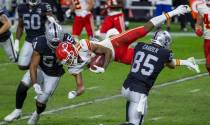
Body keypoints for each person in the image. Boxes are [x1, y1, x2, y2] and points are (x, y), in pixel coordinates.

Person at [55, 5, 200, 99]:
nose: (67, 62)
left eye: (67, 58)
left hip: (114, 43)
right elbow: (81, 86)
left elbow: (107, 52)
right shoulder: (73, 67)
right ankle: (188, 61)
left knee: (145, 29)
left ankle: (175, 11)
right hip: (120, 56)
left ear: (71, 52)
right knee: (154, 60)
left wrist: (103, 68)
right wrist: (76, 92)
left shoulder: (83, 45)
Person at [87, 30, 199, 125]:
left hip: (126, 87)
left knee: (136, 112)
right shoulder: (165, 54)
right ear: (165, 42)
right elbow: (171, 65)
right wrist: (186, 62)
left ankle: (128, 121)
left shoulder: (140, 46)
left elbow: (152, 56)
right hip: (139, 92)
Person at [3, 23, 71, 125]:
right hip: (40, 68)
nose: (55, 46)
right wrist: (35, 84)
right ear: (47, 36)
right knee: (23, 85)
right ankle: (17, 110)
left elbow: (76, 60)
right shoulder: (40, 42)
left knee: (41, 101)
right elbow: (33, 65)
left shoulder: (69, 41)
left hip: (54, 74)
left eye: (58, 43)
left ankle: (37, 114)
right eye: (53, 42)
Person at [14, 0, 57, 70]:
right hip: (29, 40)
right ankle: (36, 66)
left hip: (42, 39)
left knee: (47, 64)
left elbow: (53, 19)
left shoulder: (44, 6)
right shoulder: (22, 7)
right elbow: (20, 25)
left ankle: (36, 68)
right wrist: (17, 41)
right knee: (22, 66)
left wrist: (51, 18)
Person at [195, 0, 210, 75]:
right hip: (207, 40)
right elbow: (198, 23)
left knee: (208, 63)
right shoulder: (201, 7)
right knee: (207, 66)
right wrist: (198, 29)